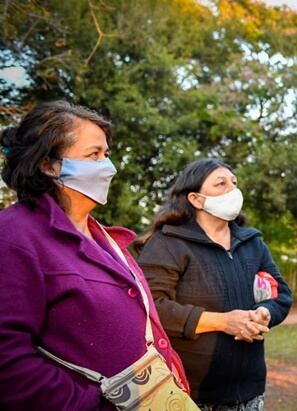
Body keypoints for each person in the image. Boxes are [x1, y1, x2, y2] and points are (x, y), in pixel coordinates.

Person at [0, 101, 189, 410]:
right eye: (93, 155)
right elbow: (8, 361)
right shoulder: (13, 238)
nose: (109, 167)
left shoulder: (106, 237)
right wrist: (91, 405)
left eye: (107, 154)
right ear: (49, 165)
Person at [136, 158, 292, 410]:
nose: (232, 190)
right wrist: (223, 322)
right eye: (221, 184)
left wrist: (263, 314)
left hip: (250, 391)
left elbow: (281, 295)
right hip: (190, 393)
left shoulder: (252, 242)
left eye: (234, 182)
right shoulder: (168, 244)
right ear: (196, 199)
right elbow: (153, 307)